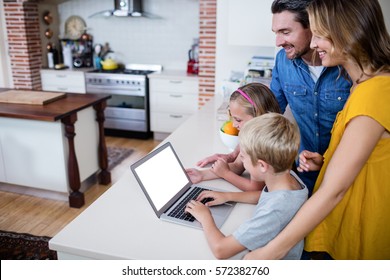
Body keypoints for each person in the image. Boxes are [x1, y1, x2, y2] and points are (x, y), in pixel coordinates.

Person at [245, 0, 390, 260]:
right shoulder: (364, 86)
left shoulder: (374, 92)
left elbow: (335, 190)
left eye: (320, 34)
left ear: (346, 31)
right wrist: (326, 161)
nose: (314, 43)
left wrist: (267, 253)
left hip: (359, 232)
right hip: (339, 221)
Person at [185, 113, 308, 259]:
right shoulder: (289, 178)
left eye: (243, 157)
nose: (241, 162)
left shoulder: (273, 211)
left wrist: (205, 217)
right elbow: (267, 196)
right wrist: (228, 196)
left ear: (262, 165)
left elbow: (221, 250)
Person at [270, 0, 352, 195]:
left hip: (345, 178)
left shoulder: (350, 67)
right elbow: (269, 114)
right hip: (301, 176)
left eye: (286, 32)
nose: (278, 42)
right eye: (276, 33)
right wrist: (239, 155)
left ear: (313, 27)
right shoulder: (283, 60)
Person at [186, 83, 281, 191]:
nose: (234, 125)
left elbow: (255, 188)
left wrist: (225, 174)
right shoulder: (249, 137)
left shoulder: (263, 144)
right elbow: (237, 166)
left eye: (238, 120)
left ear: (259, 116)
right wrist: (202, 174)